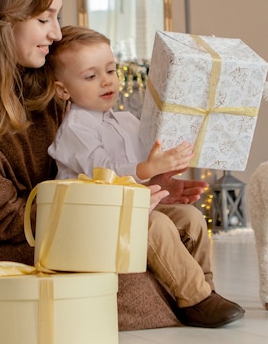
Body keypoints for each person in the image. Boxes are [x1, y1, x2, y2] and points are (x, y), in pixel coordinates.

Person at [0, 0, 221, 330]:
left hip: (59, 220)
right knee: (128, 285)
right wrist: (105, 215)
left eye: (56, 17)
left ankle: (3, 305)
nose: (57, 33)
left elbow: (86, 165)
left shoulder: (44, 82)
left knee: (169, 236)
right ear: (1, 20)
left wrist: (146, 188)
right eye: (44, 18)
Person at [46, 25, 245, 328]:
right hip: (92, 221)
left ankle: (202, 292)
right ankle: (195, 297)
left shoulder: (126, 120)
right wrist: (147, 170)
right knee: (156, 224)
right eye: (91, 76)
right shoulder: (75, 130)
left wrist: (162, 183)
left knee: (190, 217)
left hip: (130, 210)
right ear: (63, 90)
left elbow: (143, 170)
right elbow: (105, 171)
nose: (106, 81)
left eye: (111, 70)